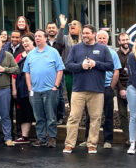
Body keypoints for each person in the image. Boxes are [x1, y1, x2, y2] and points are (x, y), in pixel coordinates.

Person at [63, 25, 114, 154]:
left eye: (87, 33)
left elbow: (110, 66)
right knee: (74, 117)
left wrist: (95, 64)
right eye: (83, 33)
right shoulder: (75, 48)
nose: (85, 35)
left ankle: (92, 144)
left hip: (97, 90)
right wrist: (81, 66)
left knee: (95, 118)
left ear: (94, 34)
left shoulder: (103, 49)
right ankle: (69, 144)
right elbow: (68, 66)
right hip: (78, 89)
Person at [26, 30, 65, 148]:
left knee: (51, 116)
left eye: (39, 36)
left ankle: (52, 138)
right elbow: (27, 72)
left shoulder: (53, 52)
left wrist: (55, 86)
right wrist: (29, 88)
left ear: (45, 38)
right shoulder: (31, 54)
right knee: (38, 116)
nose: (37, 38)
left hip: (50, 90)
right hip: (35, 91)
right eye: (35, 36)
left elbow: (60, 70)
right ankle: (41, 137)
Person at [88, 30, 121, 149]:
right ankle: (88, 138)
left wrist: (111, 87)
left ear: (108, 40)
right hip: (92, 87)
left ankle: (108, 140)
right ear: (96, 39)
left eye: (104, 38)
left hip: (107, 87)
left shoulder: (112, 53)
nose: (102, 40)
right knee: (90, 115)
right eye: (100, 38)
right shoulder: (90, 51)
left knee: (108, 114)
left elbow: (116, 71)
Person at [12, 35, 36, 144]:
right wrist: (14, 89)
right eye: (23, 42)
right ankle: (24, 136)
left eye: (27, 41)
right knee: (23, 112)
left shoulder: (38, 54)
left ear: (33, 42)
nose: (24, 43)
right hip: (21, 89)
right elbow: (14, 75)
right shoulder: (19, 56)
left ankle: (43, 136)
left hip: (36, 88)